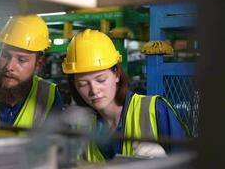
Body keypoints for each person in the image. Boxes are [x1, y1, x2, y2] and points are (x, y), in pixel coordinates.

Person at [62, 29, 189, 162]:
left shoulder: (154, 111)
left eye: (101, 80)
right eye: (83, 84)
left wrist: (166, 162)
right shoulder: (79, 126)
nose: (94, 90)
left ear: (116, 74)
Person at [0, 15, 63, 129]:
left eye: (22, 60)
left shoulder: (49, 97)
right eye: (5, 55)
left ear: (39, 63)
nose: (9, 66)